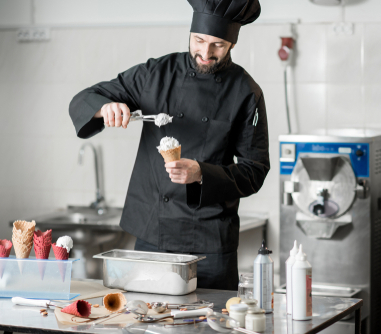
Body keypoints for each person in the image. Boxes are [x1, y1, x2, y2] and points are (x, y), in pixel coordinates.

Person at [69, 0, 269, 290]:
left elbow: (255, 170)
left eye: (218, 45)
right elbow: (85, 98)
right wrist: (106, 107)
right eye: (199, 40)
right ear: (190, 32)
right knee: (147, 320)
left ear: (232, 44)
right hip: (154, 234)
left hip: (210, 243)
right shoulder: (156, 74)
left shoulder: (246, 92)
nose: (205, 53)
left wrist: (201, 173)